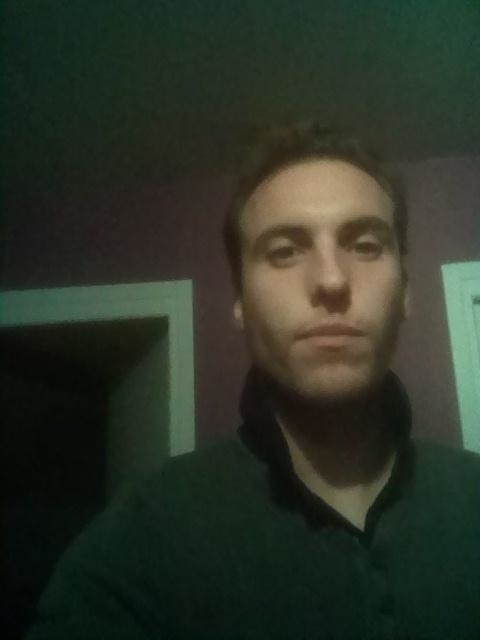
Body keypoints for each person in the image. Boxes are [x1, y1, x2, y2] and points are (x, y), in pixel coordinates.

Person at [24, 122, 480, 639]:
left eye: (365, 245)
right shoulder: (143, 534)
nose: (331, 280)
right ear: (240, 300)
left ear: (405, 292)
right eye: (284, 251)